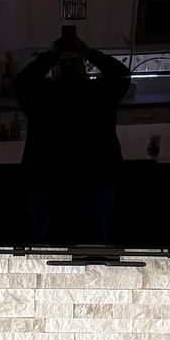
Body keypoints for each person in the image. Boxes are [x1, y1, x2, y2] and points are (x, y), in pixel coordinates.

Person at [13, 27, 131, 245]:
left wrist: (55, 54)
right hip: (81, 180)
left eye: (72, 61)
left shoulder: (42, 94)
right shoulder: (99, 92)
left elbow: (22, 83)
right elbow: (121, 73)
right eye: (62, 61)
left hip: (57, 180)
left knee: (59, 244)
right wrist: (85, 52)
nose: (67, 65)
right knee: (84, 243)